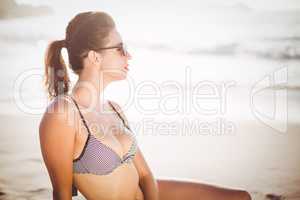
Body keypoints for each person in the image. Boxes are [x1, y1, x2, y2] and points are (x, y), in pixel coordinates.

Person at [39, 11, 251, 200]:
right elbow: (62, 194)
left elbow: (146, 175)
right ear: (95, 57)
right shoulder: (62, 114)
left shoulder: (114, 109)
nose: (129, 55)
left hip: (151, 195)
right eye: (120, 49)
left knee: (242, 197)